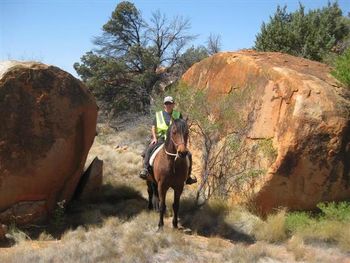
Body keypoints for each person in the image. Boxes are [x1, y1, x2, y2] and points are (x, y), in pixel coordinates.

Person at [139, 96, 197, 185]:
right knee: (149, 149)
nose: (168, 105)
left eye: (170, 103)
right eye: (166, 103)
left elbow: (181, 127)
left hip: (174, 140)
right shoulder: (158, 115)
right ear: (164, 105)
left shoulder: (178, 114)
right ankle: (145, 169)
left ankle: (188, 176)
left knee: (188, 154)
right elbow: (153, 127)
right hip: (162, 139)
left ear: (173, 104)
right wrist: (154, 138)